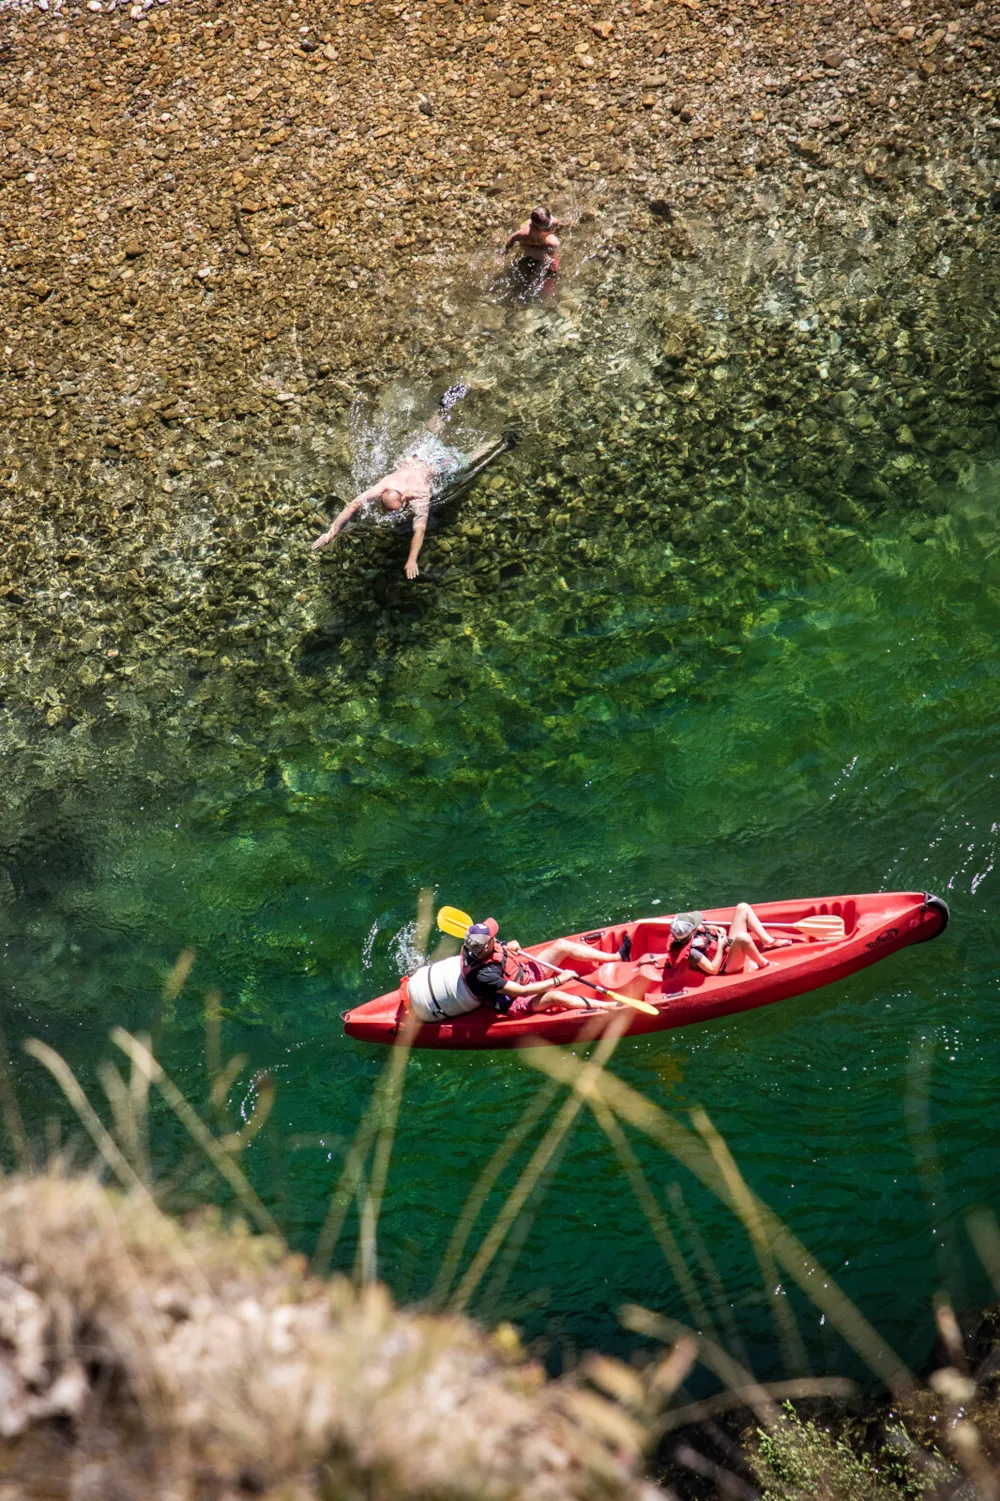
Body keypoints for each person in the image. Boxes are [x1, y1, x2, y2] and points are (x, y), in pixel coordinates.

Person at [311, 388, 503, 579]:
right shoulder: (388, 482)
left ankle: (499, 443)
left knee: (468, 461)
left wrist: (411, 559)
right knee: (432, 430)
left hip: (439, 465)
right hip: (419, 456)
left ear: (403, 499)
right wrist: (331, 533)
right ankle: (445, 404)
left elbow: (419, 530)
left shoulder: (419, 496)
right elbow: (353, 505)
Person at [460, 918, 619, 1018]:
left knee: (561, 945)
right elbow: (523, 992)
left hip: (525, 974)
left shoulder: (475, 947)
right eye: (493, 936)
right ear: (487, 944)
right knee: (554, 997)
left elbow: (493, 950)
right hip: (516, 1000)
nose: (495, 937)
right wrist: (558, 979)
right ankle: (611, 1007)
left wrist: (507, 946)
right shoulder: (484, 976)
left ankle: (616, 957)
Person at [663, 905, 792, 980]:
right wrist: (721, 946)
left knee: (742, 907)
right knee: (743, 938)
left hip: (727, 947)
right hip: (726, 965)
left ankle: (768, 941)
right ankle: (764, 964)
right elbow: (713, 970)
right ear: (691, 932)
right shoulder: (693, 952)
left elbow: (708, 929)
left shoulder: (686, 933)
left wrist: (718, 930)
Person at [503, 207, 561, 294]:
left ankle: (550, 274)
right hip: (530, 246)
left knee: (554, 248)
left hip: (541, 241)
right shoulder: (526, 232)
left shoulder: (553, 222)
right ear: (535, 226)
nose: (549, 228)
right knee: (547, 261)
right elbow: (511, 238)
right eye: (545, 227)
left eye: (549, 224)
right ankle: (534, 284)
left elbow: (554, 225)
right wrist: (505, 253)